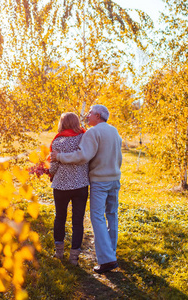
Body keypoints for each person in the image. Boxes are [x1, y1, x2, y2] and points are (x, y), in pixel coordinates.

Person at [51, 104, 122, 274]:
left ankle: (107, 260)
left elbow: (82, 156)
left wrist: (59, 156)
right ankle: (111, 253)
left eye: (90, 113)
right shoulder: (114, 131)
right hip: (114, 178)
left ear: (98, 115)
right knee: (112, 216)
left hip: (100, 180)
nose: (87, 116)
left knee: (96, 217)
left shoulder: (93, 132)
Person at [49, 112, 89, 266]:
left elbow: (53, 165)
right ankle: (74, 257)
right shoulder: (84, 139)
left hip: (61, 186)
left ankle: (59, 252)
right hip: (80, 185)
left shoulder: (58, 141)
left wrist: (49, 172)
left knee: (60, 217)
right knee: (78, 221)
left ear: (62, 123)